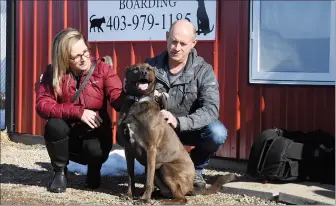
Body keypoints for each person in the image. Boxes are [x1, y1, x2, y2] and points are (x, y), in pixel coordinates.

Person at [36, 27, 125, 193]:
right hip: (68, 138)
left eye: (85, 51)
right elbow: (42, 105)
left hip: (94, 135)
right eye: (76, 56)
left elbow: (118, 98)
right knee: (54, 125)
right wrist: (79, 112)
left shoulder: (102, 69)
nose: (84, 59)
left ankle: (94, 169)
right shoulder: (53, 73)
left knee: (95, 154)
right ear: (63, 58)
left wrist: (134, 93)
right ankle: (60, 173)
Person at [145, 20, 228, 190]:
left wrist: (180, 121)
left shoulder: (203, 71)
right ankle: (154, 170)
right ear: (167, 37)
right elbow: (135, 98)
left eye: (183, 43)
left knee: (218, 132)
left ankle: (195, 167)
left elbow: (211, 109)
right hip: (160, 132)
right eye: (173, 41)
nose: (177, 47)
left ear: (193, 43)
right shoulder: (150, 67)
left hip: (189, 129)